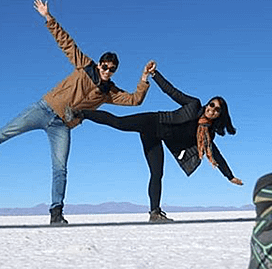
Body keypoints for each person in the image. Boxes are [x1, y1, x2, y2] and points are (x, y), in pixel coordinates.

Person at [0, 0, 151, 225]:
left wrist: (143, 79)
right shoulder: (85, 65)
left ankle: (56, 212)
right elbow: (66, 43)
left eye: (112, 69)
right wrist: (48, 17)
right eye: (105, 66)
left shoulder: (109, 92)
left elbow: (134, 100)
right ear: (100, 63)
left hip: (62, 125)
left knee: (60, 168)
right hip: (43, 109)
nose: (107, 71)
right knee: (2, 134)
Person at [71, 64, 243, 222]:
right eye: (211, 104)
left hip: (156, 138)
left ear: (220, 114)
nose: (211, 109)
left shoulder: (206, 135)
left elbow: (215, 154)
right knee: (119, 123)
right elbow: (172, 92)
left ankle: (155, 212)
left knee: (157, 173)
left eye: (216, 109)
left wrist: (229, 176)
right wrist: (154, 74)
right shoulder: (194, 105)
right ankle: (81, 113)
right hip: (153, 121)